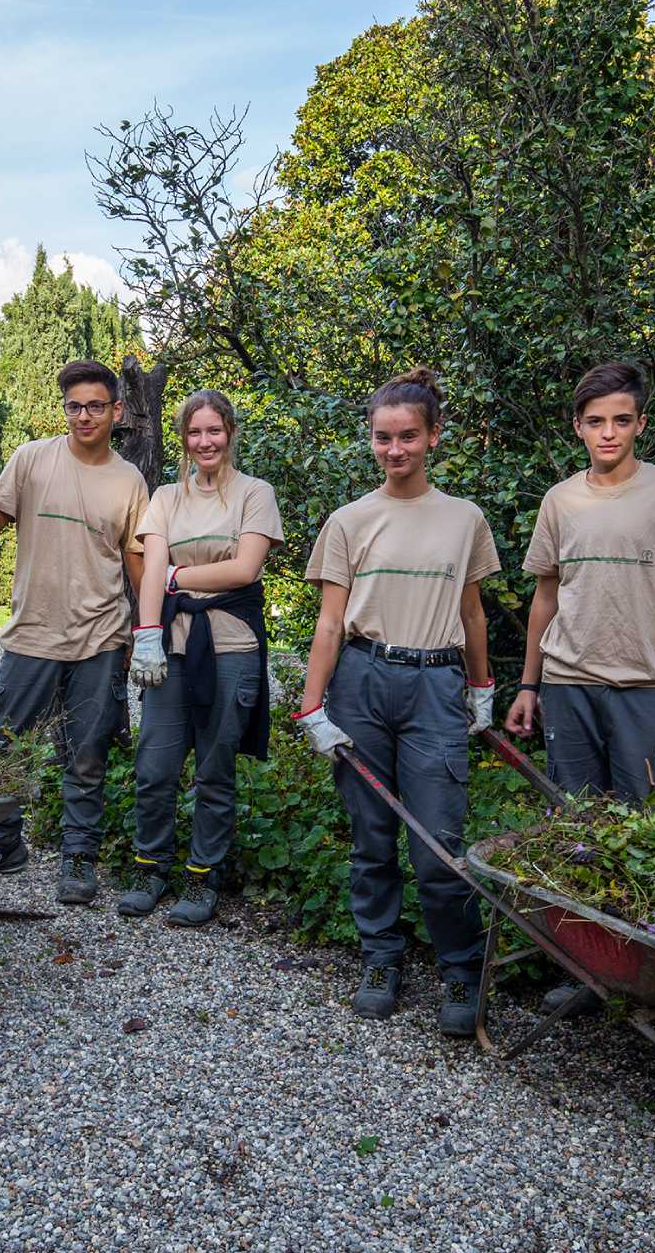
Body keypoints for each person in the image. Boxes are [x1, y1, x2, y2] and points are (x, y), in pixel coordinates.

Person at [505, 359, 655, 1031]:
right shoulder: (560, 499)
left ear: (641, 424)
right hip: (570, 687)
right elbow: (546, 594)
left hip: (646, 688)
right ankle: (586, 975)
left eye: (621, 420)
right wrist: (528, 683)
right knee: (576, 835)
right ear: (578, 426)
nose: (609, 433)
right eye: (596, 421)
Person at [290, 368, 500, 1033]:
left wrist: (483, 687)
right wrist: (313, 706)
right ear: (371, 440)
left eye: (409, 436)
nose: (396, 449)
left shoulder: (464, 519)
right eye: (384, 438)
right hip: (363, 681)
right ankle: (381, 958)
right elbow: (329, 622)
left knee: (439, 841)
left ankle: (460, 971)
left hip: (435, 684)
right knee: (372, 839)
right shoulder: (350, 521)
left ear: (434, 436)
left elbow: (472, 614)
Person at [0, 359, 149, 905]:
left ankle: (78, 859)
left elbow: (136, 562)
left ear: (116, 411)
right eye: (75, 406)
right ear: (64, 409)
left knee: (86, 752)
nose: (85, 416)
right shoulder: (29, 461)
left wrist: (148, 631)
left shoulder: (129, 481)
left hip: (100, 636)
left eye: (97, 406)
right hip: (32, 632)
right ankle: (2, 843)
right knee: (3, 743)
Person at [119, 390, 283, 926]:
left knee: (215, 769)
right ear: (184, 439)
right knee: (155, 764)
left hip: (231, 645)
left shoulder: (255, 494)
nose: (204, 441)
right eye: (194, 432)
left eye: (214, 430)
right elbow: (152, 569)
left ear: (230, 432)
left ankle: (202, 875)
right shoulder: (166, 496)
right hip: (172, 642)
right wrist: (146, 634)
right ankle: (151, 864)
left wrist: (174, 578)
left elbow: (244, 571)